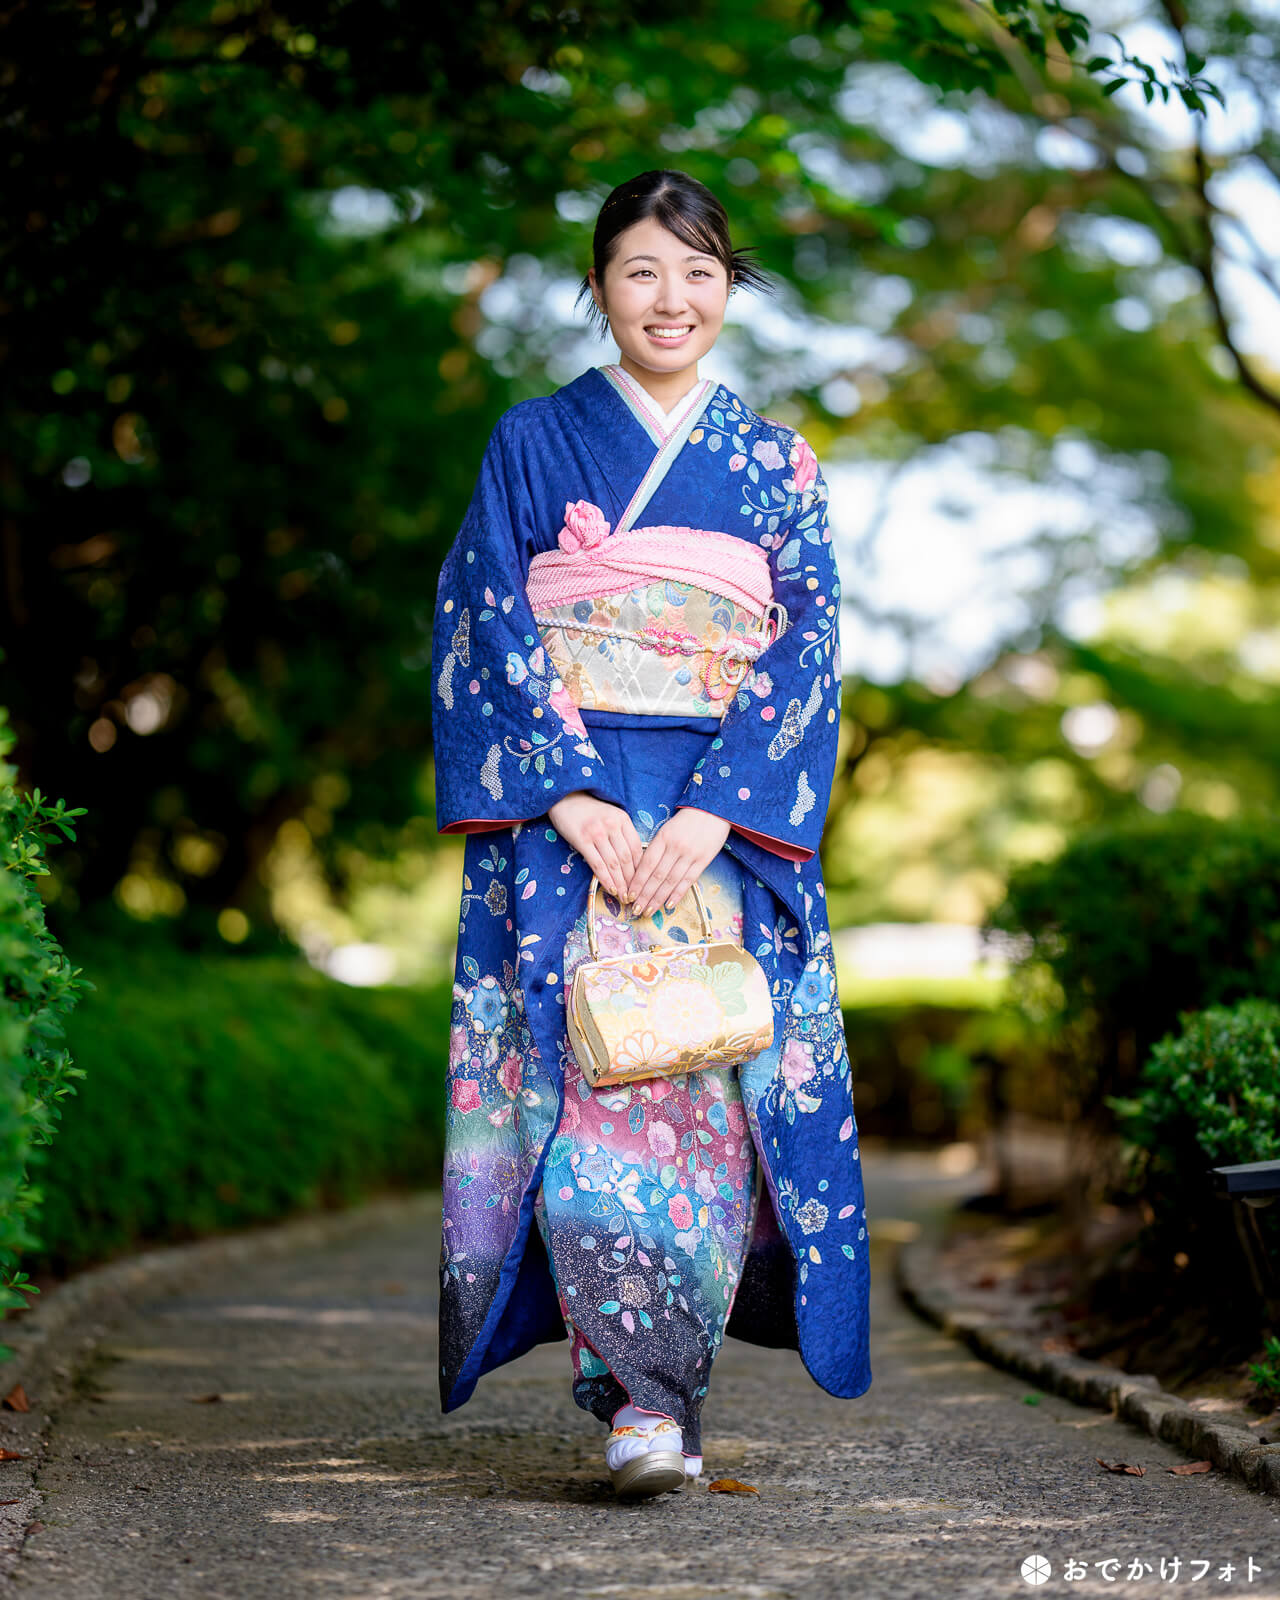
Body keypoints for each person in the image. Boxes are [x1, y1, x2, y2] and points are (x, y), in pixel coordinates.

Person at [431, 169, 870, 1499]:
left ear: (730, 288)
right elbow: (484, 614)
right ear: (599, 287)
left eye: (698, 272)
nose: (671, 298)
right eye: (641, 270)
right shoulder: (531, 439)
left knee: (701, 1098)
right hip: (566, 822)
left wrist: (717, 806)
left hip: (716, 825)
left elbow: (808, 644)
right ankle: (632, 1396)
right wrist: (565, 792)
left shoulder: (777, 462)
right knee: (589, 1097)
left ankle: (659, 1399)